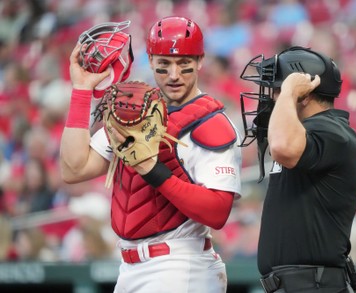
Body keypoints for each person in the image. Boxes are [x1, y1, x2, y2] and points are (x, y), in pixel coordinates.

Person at [60, 16, 242, 293]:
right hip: (130, 267)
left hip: (180, 265)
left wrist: (152, 169)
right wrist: (82, 91)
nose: (174, 74)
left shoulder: (209, 123)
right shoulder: (135, 109)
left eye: (184, 63)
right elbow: (74, 169)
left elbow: (217, 212)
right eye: (165, 63)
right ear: (151, 59)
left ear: (200, 60)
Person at [239, 46, 356, 292]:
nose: (271, 98)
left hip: (313, 283)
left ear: (303, 95)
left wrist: (288, 91)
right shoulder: (312, 132)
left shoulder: (332, 131)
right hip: (300, 283)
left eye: (276, 89)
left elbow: (283, 147)